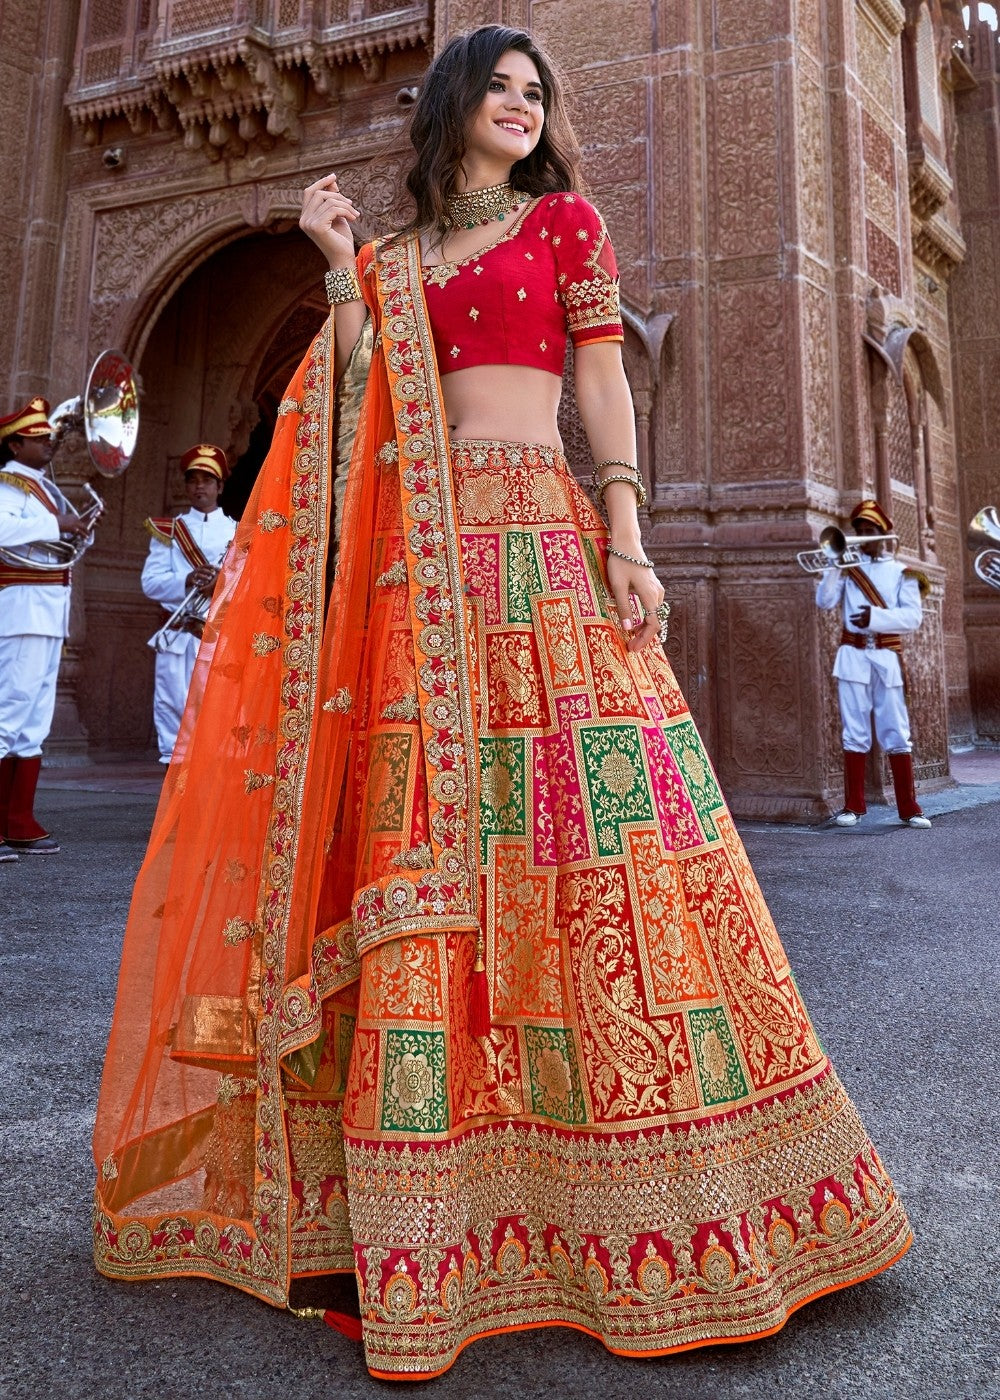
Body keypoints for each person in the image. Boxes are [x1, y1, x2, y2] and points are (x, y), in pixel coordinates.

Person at [93, 26, 911, 1379]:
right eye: (505, 88)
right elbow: (359, 407)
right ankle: (426, 1211)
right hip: (426, 578)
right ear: (454, 108)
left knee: (602, 839)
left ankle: (652, 1189)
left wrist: (629, 533)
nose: (525, 107)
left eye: (542, 92)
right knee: (427, 843)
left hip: (545, 546)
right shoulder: (398, 263)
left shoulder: (565, 228)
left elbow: (601, 382)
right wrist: (329, 262)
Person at [0, 398, 90, 858]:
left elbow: (53, 533)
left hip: (49, 608)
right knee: (8, 713)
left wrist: (74, 527)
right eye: (38, 438)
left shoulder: (44, 488)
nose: (47, 443)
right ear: (15, 443)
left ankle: (18, 819)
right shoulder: (7, 487)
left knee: (33, 721)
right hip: (20, 608)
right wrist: (58, 523)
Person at [816, 499, 932, 829]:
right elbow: (824, 602)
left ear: (883, 535)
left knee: (896, 730)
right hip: (852, 656)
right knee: (854, 731)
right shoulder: (848, 569)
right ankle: (853, 806)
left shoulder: (903, 573)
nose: (865, 536)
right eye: (860, 531)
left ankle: (909, 808)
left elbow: (912, 618)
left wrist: (875, 617)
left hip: (885, 656)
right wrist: (833, 567)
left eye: (871, 531)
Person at [141, 445, 237, 763]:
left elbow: (247, 586)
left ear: (220, 486)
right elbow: (150, 583)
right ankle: (173, 798)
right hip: (179, 633)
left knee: (216, 709)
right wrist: (187, 579)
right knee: (172, 712)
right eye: (193, 480)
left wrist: (218, 584)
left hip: (217, 633)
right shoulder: (168, 531)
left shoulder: (237, 533)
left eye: (207, 480)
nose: (200, 486)